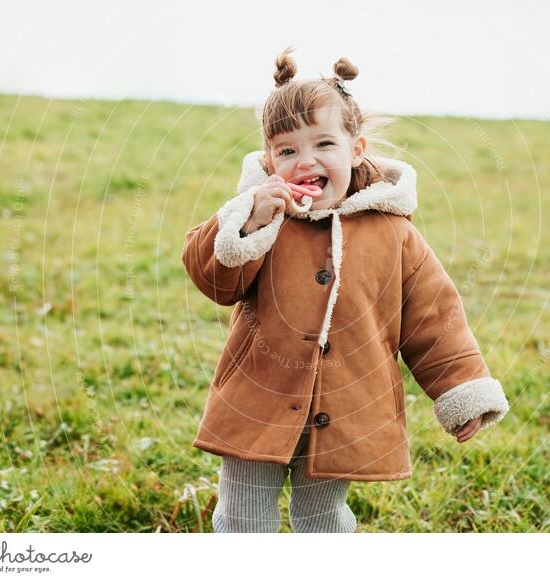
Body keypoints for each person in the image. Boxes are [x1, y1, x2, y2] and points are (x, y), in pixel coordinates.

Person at [181, 47, 510, 533]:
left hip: (344, 409)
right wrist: (248, 221)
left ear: (355, 149)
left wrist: (463, 392)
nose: (304, 160)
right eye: (287, 150)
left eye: (323, 145)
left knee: (324, 521)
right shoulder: (260, 217)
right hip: (257, 401)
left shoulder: (393, 233)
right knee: (242, 517)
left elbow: (434, 320)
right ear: (270, 159)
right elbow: (214, 279)